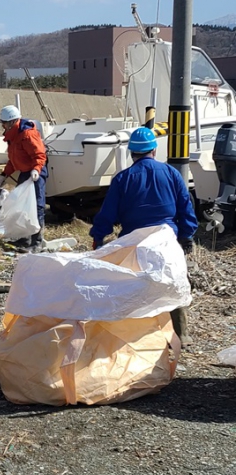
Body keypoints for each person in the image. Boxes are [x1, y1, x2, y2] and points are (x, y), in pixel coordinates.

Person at [89, 126, 198, 344]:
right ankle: (181, 335)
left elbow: (108, 213)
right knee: (173, 283)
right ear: (154, 150)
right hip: (166, 240)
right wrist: (187, 236)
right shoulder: (171, 173)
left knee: (134, 289)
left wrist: (98, 238)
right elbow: (186, 208)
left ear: (132, 153)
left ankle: (137, 338)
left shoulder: (123, 178)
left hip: (135, 243)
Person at [0, 105, 49, 251]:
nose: (2, 125)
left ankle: (36, 242)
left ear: (11, 122)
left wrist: (36, 169)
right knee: (22, 206)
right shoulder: (13, 136)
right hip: (25, 173)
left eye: (4, 122)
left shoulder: (27, 134)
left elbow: (40, 155)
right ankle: (24, 240)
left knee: (36, 207)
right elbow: (14, 159)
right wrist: (4, 174)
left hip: (35, 174)